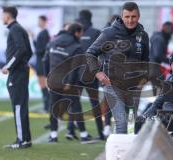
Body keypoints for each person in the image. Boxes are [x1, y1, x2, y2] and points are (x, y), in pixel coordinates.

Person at [86, 2, 149, 134]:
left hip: (134, 87)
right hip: (113, 85)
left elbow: (146, 61)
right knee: (121, 123)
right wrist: (98, 73)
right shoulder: (109, 33)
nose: (130, 20)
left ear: (139, 16)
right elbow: (90, 53)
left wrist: (143, 79)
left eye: (133, 16)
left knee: (131, 126)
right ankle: (121, 154)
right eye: (127, 17)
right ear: (121, 16)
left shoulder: (143, 35)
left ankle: (125, 152)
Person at [43, 23, 95, 143]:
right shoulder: (77, 46)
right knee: (75, 107)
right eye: (81, 32)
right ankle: (84, 135)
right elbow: (74, 67)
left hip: (54, 80)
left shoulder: (53, 42)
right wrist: (69, 82)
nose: (82, 35)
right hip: (68, 82)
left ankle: (53, 135)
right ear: (76, 32)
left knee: (53, 108)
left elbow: (45, 60)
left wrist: (47, 77)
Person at [66, 9, 105, 141]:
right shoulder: (96, 32)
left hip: (76, 73)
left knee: (74, 102)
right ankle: (101, 133)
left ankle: (70, 130)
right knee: (95, 104)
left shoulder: (74, 31)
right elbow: (102, 53)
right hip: (91, 73)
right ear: (90, 17)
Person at [1, 6, 32, 149]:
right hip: (20, 72)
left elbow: (22, 50)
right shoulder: (19, 28)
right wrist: (23, 64)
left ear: (8, 16)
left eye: (2, 14)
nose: (1, 17)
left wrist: (9, 66)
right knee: (21, 107)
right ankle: (26, 139)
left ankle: (22, 140)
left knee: (18, 107)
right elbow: (29, 51)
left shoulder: (15, 29)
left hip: (17, 73)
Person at [32, 15, 50, 112]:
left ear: (43, 21)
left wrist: (36, 51)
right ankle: (46, 106)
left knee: (43, 84)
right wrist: (33, 39)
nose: (38, 23)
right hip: (40, 60)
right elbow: (38, 47)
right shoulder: (42, 33)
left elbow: (42, 49)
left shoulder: (44, 33)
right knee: (42, 84)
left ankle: (47, 106)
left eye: (39, 21)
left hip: (41, 61)